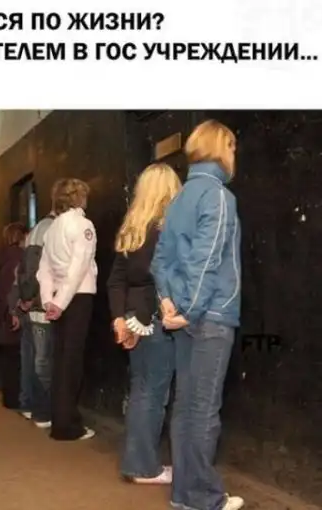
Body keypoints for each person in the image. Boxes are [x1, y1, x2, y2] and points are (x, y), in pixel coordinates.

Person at [151, 120, 243, 510]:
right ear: (220, 148)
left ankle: (184, 494)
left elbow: (160, 261)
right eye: (231, 146)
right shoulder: (219, 197)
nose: (234, 154)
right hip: (210, 315)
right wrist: (188, 309)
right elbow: (206, 261)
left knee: (186, 407)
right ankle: (204, 498)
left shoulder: (179, 199)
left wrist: (168, 303)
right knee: (203, 410)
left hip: (184, 316)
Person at [107, 163, 181, 484]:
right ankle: (143, 467)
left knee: (141, 390)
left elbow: (116, 281)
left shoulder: (132, 231)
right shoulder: (167, 230)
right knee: (153, 394)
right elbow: (161, 280)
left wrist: (120, 319)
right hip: (157, 319)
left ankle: (137, 462)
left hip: (134, 318)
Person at [37, 178, 97, 441]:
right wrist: (61, 304)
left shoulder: (52, 229)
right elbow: (78, 268)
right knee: (72, 363)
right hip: (78, 298)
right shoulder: (83, 225)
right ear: (78, 197)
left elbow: (44, 270)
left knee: (60, 361)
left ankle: (60, 419)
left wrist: (49, 301)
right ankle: (67, 426)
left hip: (58, 300)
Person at [15, 191, 58, 428]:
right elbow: (33, 268)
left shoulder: (38, 228)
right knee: (42, 361)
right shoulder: (50, 228)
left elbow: (25, 268)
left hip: (34, 305)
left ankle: (29, 404)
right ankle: (42, 411)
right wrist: (30, 296)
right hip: (42, 306)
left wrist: (25, 297)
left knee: (31, 358)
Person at [0, 222, 28, 409]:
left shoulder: (1, 258)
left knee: (8, 358)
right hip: (12, 313)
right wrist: (13, 312)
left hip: (2, 313)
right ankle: (14, 398)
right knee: (16, 359)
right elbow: (12, 287)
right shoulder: (19, 258)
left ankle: (9, 397)